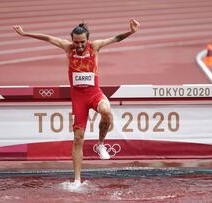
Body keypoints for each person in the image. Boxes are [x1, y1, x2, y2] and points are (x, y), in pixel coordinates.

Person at [13, 19, 140, 184]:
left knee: (107, 111)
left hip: (94, 93)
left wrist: (131, 31)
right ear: (72, 40)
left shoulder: (95, 46)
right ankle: (77, 180)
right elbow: (49, 38)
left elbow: (116, 38)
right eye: (76, 42)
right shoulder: (68, 48)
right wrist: (25, 33)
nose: (79, 46)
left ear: (87, 39)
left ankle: (101, 144)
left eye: (82, 42)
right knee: (78, 138)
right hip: (78, 98)